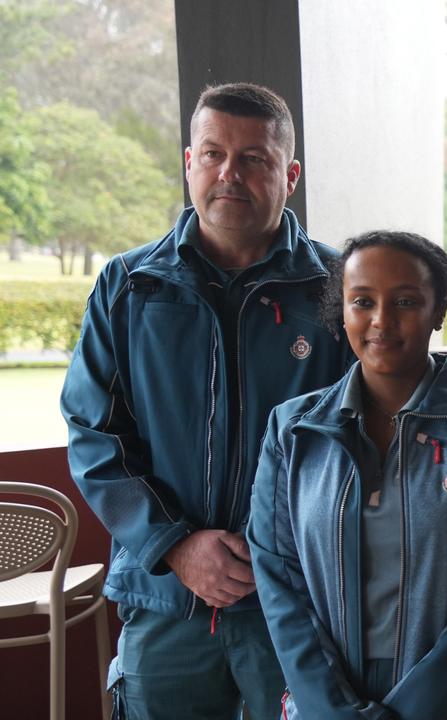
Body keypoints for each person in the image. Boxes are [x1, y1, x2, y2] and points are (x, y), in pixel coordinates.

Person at [61, 82, 353, 718]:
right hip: (164, 599)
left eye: (255, 158)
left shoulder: (340, 291)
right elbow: (93, 432)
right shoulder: (129, 286)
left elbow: (374, 443)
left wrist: (287, 559)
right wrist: (173, 544)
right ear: (188, 162)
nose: (230, 173)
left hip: (301, 608)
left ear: (291, 174)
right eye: (214, 153)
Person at [247, 231, 447, 718]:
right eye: (362, 301)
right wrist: (333, 710)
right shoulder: (292, 431)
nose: (381, 320)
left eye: (405, 301)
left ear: (438, 311)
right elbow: (281, 584)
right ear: (341, 311)